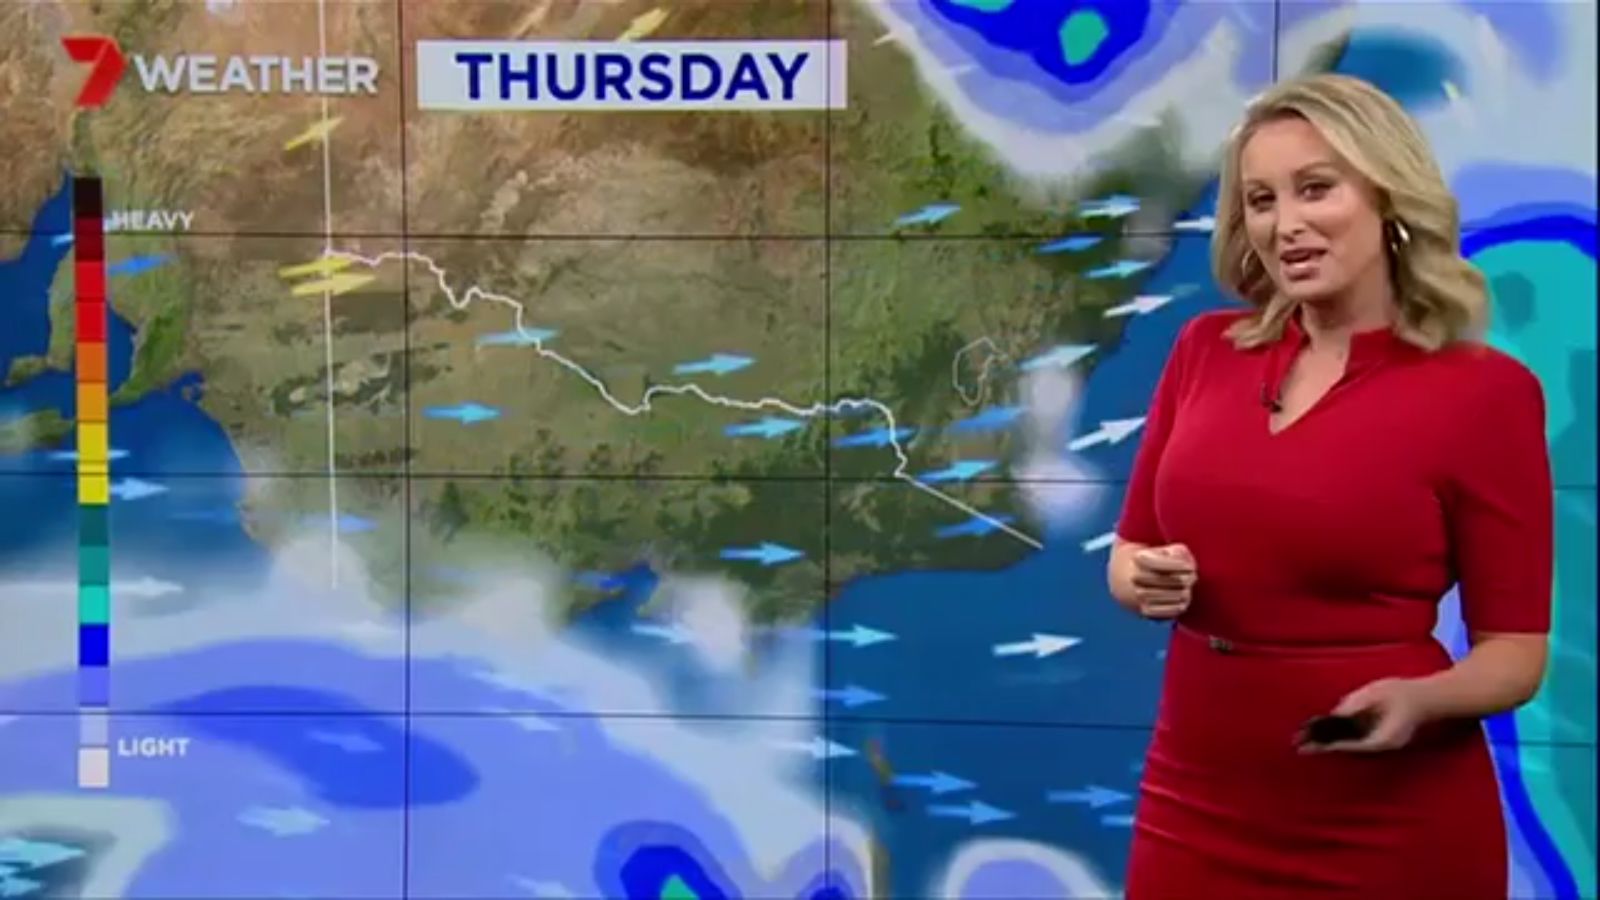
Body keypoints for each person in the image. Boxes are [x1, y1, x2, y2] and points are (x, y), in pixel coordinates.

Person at [1107, 73, 1553, 898]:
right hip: (1197, 795)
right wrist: (1139, 577)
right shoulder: (1204, 351)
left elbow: (1515, 656)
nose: (1286, 225)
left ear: (1387, 196)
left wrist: (1422, 701)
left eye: (1316, 189)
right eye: (1262, 200)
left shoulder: (1485, 394)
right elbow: (1130, 551)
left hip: (1386, 819)